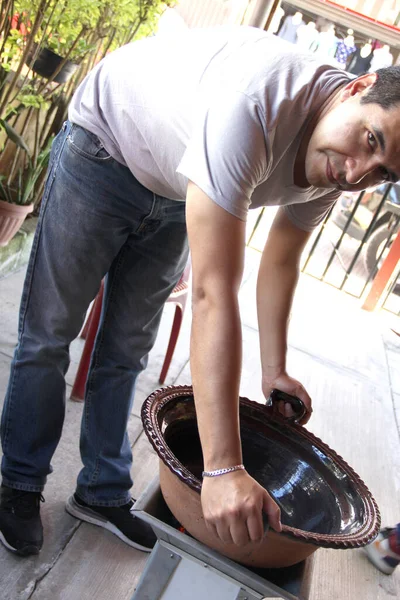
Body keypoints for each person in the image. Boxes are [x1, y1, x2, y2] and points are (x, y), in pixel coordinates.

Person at [1, 25, 400, 557]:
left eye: (383, 173)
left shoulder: (336, 165)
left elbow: (281, 260)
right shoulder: (258, 103)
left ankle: (99, 489)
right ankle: (20, 486)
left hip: (177, 181)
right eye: (371, 139)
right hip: (105, 147)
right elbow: (215, 293)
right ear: (357, 86)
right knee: (51, 332)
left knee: (126, 350)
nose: (356, 174)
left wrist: (274, 369)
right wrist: (224, 468)